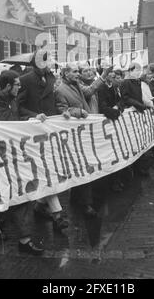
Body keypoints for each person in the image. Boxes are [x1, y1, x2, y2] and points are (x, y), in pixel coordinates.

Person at [0, 70, 44, 255]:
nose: (19, 87)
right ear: (7, 86)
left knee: (22, 195)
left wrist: (33, 117)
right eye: (17, 85)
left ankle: (25, 239)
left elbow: (19, 114)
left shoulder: (12, 101)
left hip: (14, 158)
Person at [18, 49, 68, 232]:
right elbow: (19, 106)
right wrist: (33, 116)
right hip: (34, 131)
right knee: (45, 170)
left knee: (49, 169)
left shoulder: (53, 79)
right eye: (43, 61)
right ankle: (58, 214)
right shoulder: (25, 80)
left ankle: (40, 206)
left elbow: (56, 101)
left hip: (50, 129)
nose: (46, 64)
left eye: (47, 61)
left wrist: (64, 112)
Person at [55, 63, 98, 217]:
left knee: (84, 165)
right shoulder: (60, 90)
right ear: (66, 74)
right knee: (83, 166)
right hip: (74, 134)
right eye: (74, 72)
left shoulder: (76, 85)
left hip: (83, 132)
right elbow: (62, 110)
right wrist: (78, 111)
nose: (78, 74)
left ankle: (79, 199)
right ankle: (86, 204)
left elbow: (90, 91)